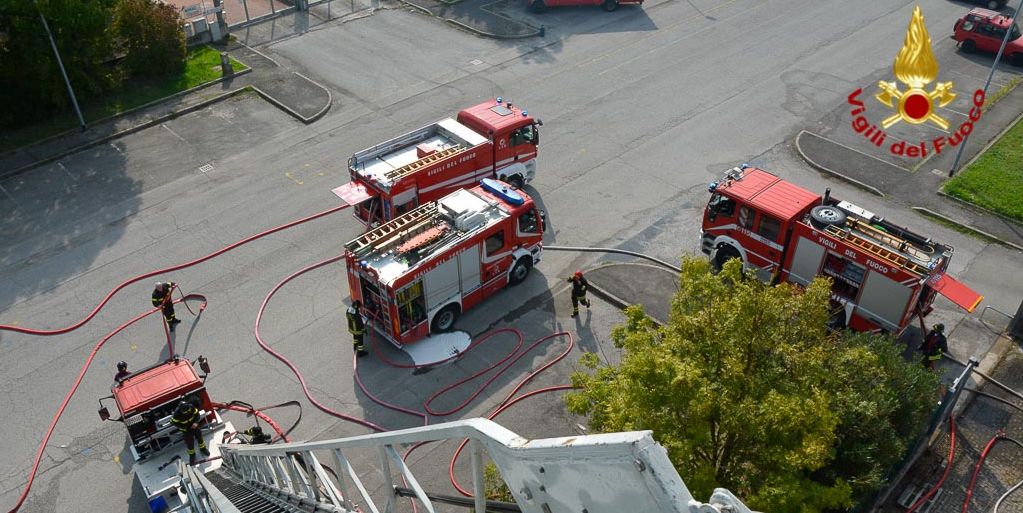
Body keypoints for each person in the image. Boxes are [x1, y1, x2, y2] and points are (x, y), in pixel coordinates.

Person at [171, 396, 209, 465]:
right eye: (185, 412)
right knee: (190, 444)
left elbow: (197, 415)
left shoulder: (191, 407)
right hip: (186, 430)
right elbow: (174, 423)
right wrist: (183, 428)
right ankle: (192, 455)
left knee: (200, 438)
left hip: (194, 426)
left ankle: (203, 449)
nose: (187, 412)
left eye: (188, 410)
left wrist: (196, 423)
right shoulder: (177, 414)